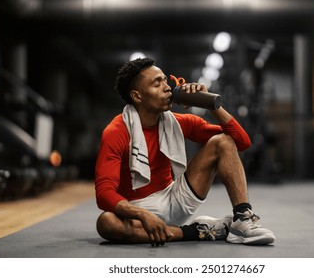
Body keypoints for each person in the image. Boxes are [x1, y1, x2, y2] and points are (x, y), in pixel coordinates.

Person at [95, 57, 275, 247]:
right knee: (106, 223)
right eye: (157, 84)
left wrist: (211, 105)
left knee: (223, 141)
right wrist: (141, 214)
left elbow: (240, 141)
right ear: (137, 96)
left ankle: (242, 220)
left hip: (175, 197)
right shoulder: (116, 132)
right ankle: (197, 232)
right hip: (137, 209)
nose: (167, 87)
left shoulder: (177, 122)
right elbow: (104, 193)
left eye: (165, 80)